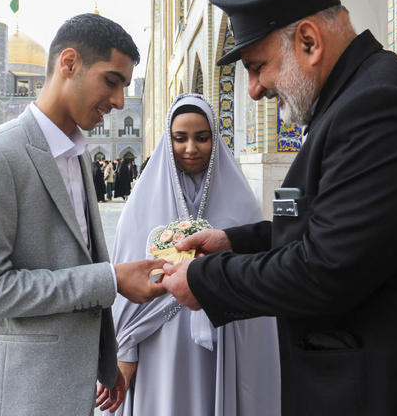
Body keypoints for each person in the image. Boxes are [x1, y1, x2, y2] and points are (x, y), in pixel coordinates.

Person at [162, 0, 397, 416]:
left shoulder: (382, 108)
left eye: (258, 66)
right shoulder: (348, 103)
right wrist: (232, 243)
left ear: (308, 41)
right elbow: (326, 222)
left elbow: (326, 267)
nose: (255, 90)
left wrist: (205, 280)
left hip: (396, 393)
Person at [0, 13, 166, 416]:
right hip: (22, 394)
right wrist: (111, 279)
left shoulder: (77, 155)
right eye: (112, 81)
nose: (119, 101)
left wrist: (104, 359)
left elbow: (73, 259)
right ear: (69, 64)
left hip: (75, 386)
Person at [101, 94, 280, 416]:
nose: (191, 149)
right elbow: (126, 284)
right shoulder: (142, 203)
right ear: (168, 140)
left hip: (223, 337)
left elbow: (256, 279)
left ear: (215, 138)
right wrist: (125, 348)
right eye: (180, 138)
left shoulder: (242, 201)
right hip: (160, 342)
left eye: (202, 138)